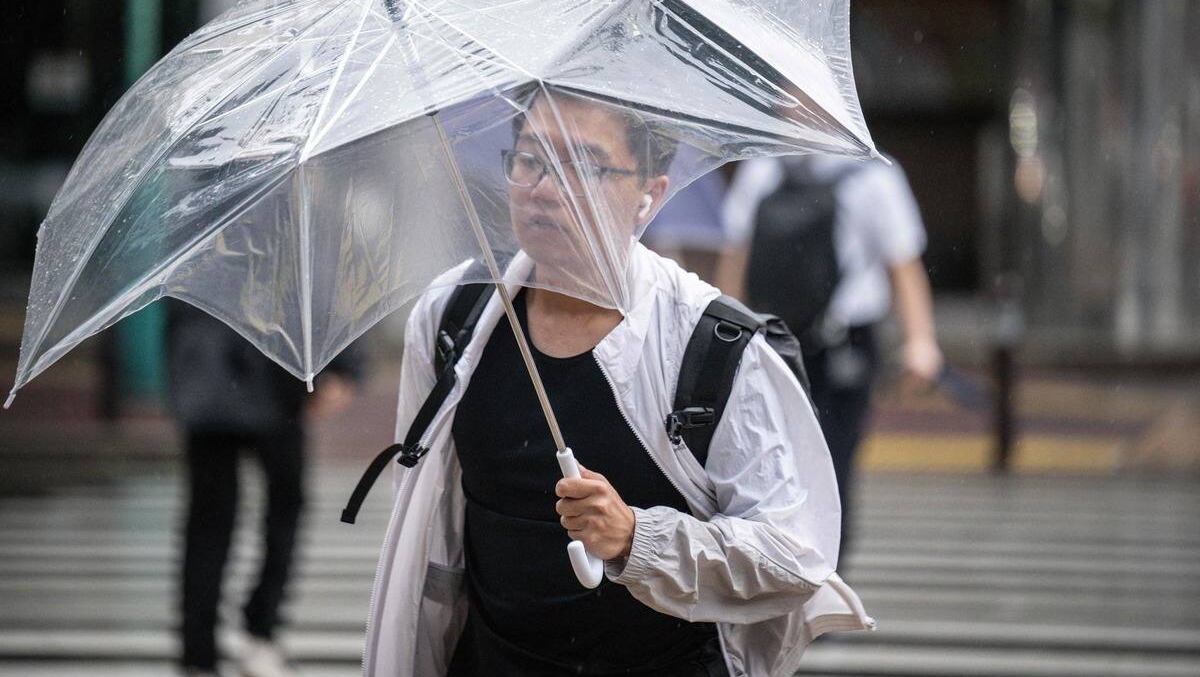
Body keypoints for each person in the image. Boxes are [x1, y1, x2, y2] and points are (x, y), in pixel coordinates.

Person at [362, 90, 873, 677]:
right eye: (529, 160)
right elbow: (426, 522)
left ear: (649, 195)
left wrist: (638, 539)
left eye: (584, 167)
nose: (545, 190)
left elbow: (793, 555)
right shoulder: (453, 315)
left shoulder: (715, 348)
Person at [719, 153, 943, 558]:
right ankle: (819, 574)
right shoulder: (873, 174)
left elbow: (735, 258)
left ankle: (795, 569)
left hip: (776, 341)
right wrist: (920, 342)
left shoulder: (764, 170)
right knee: (829, 463)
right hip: (839, 345)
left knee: (774, 461)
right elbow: (904, 265)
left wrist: (724, 330)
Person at [166, 302, 360, 677]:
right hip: (267, 378)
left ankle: (204, 646)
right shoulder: (286, 245)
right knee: (275, 512)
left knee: (215, 521)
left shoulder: (188, 245)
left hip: (216, 381)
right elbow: (321, 291)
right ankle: (252, 631)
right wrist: (340, 366)